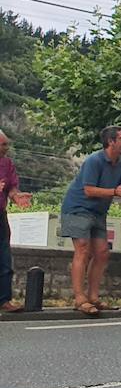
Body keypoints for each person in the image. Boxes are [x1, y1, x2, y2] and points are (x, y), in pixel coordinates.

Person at [60, 125, 121, 316]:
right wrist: (114, 192)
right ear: (111, 142)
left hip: (98, 212)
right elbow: (89, 190)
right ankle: (79, 298)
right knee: (83, 249)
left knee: (102, 252)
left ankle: (93, 297)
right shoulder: (94, 160)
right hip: (78, 208)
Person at [0, 128, 35, 313]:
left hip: (0, 215)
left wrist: (17, 196)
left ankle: (4, 300)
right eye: (3, 144)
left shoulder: (7, 164)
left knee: (5, 258)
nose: (7, 147)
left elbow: (11, 188)